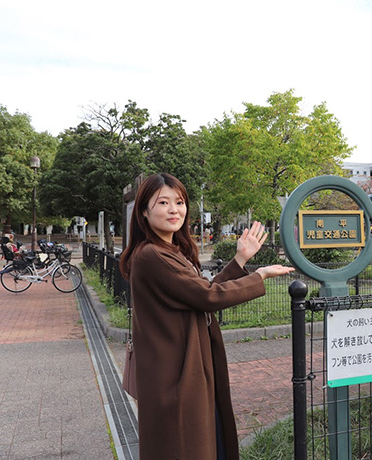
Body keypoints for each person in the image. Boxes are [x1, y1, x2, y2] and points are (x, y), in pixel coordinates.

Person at [119, 173, 294, 460]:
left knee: (200, 443)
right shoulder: (152, 256)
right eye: (163, 202)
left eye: (179, 201)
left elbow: (203, 293)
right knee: (187, 446)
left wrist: (240, 260)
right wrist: (259, 276)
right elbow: (209, 297)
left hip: (181, 369)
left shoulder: (168, 250)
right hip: (177, 374)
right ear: (144, 212)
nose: (174, 209)